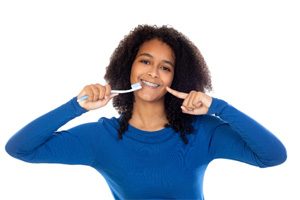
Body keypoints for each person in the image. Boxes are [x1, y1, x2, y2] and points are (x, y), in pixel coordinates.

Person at [5, 25, 287, 200]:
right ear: (129, 67)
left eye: (165, 67)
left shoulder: (202, 131)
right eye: (145, 61)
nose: (153, 72)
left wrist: (218, 107)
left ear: (176, 78)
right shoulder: (100, 138)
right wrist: (75, 106)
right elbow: (20, 149)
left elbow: (273, 156)